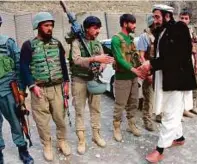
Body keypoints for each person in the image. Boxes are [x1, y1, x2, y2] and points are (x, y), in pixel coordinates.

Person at [139, 5, 197, 163]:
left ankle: (160, 149)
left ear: (167, 16)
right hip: (165, 78)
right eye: (154, 17)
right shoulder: (161, 31)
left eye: (157, 17)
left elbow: (177, 56)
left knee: (170, 113)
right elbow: (161, 56)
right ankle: (179, 138)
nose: (154, 20)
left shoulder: (180, 28)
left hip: (177, 80)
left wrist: (151, 64)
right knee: (170, 111)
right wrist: (150, 67)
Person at [20, 12, 70, 161]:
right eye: (46, 25)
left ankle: (61, 141)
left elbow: (63, 63)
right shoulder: (28, 45)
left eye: (51, 25)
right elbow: (23, 67)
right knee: (42, 121)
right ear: (38, 27)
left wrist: (66, 82)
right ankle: (47, 145)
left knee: (60, 117)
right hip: (39, 89)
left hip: (57, 88)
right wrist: (31, 85)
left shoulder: (57, 43)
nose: (50, 28)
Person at [69, 16, 114, 155]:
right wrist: (95, 59)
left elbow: (104, 59)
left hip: (94, 79)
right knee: (79, 110)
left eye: (99, 28)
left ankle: (96, 135)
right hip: (79, 80)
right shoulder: (76, 42)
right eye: (95, 28)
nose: (98, 31)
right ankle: (81, 139)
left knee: (96, 109)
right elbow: (76, 60)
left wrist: (102, 64)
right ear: (87, 28)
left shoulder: (97, 44)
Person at [0, 15, 34, 164]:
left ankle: (22, 149)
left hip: (8, 89)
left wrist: (20, 90)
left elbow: (19, 66)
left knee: (16, 121)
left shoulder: (8, 43)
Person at [112, 14, 145, 142]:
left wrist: (143, 66)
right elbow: (119, 59)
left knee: (134, 102)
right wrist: (134, 70)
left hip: (133, 77)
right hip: (122, 77)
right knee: (120, 104)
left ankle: (131, 125)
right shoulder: (116, 39)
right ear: (125, 24)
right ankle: (116, 128)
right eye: (132, 23)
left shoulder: (131, 39)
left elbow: (135, 56)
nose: (135, 26)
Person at [179, 8, 197, 117]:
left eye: (186, 18)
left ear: (189, 20)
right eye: (182, 18)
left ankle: (185, 108)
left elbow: (195, 49)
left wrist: (196, 63)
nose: (183, 20)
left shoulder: (191, 32)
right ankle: (178, 110)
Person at [137, 15, 155, 131]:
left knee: (160, 96)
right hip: (150, 71)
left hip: (160, 71)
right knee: (149, 98)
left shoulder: (161, 35)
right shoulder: (145, 36)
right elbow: (141, 56)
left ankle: (159, 115)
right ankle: (147, 119)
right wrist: (148, 73)